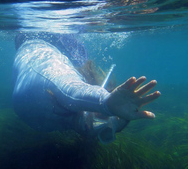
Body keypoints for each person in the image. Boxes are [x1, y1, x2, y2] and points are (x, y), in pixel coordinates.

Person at [13, 33, 161, 144]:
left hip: (36, 45)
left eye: (105, 134)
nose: (94, 128)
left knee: (83, 62)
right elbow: (71, 91)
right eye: (101, 116)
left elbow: (72, 94)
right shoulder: (49, 77)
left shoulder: (45, 117)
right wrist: (105, 102)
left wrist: (106, 106)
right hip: (45, 40)